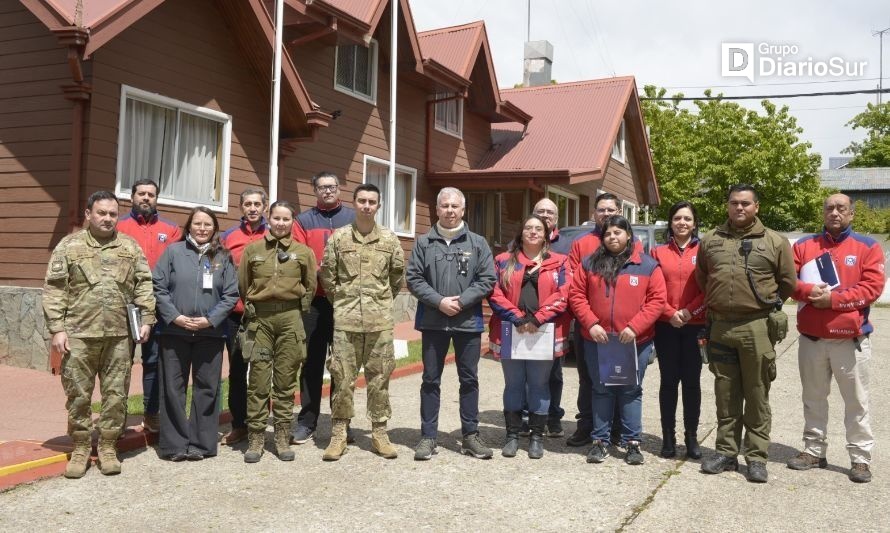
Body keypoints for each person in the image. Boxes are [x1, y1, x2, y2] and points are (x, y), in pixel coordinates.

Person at [43, 190, 155, 478]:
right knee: (78, 395)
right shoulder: (69, 246)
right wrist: (57, 329)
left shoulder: (129, 247)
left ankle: (107, 447)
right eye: (101, 213)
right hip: (78, 335)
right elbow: (54, 289)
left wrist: (146, 319)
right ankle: (80, 447)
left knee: (115, 395)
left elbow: (144, 283)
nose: (107, 218)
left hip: (119, 336)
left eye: (112, 214)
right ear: (88, 214)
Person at [697, 184, 796, 483]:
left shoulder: (775, 242)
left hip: (757, 327)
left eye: (745, 203)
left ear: (756, 207)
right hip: (721, 326)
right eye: (733, 203)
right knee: (725, 393)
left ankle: (756, 457)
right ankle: (726, 453)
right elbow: (703, 277)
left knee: (757, 394)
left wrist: (762, 305)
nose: (739, 208)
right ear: (727, 206)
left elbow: (787, 282)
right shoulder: (711, 240)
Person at [787, 193, 884, 483]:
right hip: (812, 339)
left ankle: (860, 458)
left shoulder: (868, 246)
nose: (835, 213)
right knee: (813, 399)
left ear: (851, 214)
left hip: (850, 341)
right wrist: (806, 293)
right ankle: (813, 450)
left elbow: (872, 289)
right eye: (829, 208)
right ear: (823, 213)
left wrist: (832, 300)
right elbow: (789, 281)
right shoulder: (805, 245)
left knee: (856, 402)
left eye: (841, 209)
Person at [406, 187, 497, 460]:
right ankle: (428, 437)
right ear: (437, 209)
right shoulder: (424, 243)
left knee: (469, 380)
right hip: (433, 322)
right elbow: (414, 278)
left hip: (467, 322)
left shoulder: (478, 243)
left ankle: (470, 436)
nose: (449, 211)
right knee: (430, 380)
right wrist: (439, 301)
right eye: (444, 206)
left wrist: (462, 301)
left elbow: (487, 278)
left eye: (455, 206)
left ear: (463, 209)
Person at [569, 216, 666, 466]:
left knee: (630, 391)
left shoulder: (647, 265)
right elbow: (577, 295)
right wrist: (591, 324)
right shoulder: (590, 264)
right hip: (598, 340)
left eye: (618, 232)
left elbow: (657, 300)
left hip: (635, 341)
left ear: (629, 235)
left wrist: (635, 327)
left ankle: (632, 442)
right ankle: (599, 441)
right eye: (608, 233)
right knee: (601, 389)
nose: (613, 237)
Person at [319, 183, 405, 461]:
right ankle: (339, 433)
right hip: (346, 322)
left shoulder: (390, 241)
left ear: (379, 206)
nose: (367, 206)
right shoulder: (339, 238)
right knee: (343, 379)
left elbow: (396, 278)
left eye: (372, 201)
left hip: (379, 323)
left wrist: (377, 303)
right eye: (362, 201)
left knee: (379, 379)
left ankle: (379, 432)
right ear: (353, 204)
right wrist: (343, 302)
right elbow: (328, 276)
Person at [152, 207, 239, 461]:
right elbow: (158, 286)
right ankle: (174, 445)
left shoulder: (223, 256)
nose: (202, 228)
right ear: (189, 226)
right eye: (197, 223)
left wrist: (209, 320)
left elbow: (231, 294)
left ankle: (201, 444)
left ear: (214, 228)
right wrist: (175, 316)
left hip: (209, 334)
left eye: (207, 224)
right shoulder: (173, 252)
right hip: (173, 331)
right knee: (172, 389)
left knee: (208, 388)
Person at [488, 214, 572, 459]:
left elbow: (564, 293)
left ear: (546, 234)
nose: (533, 232)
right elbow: (493, 293)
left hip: (543, 331)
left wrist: (538, 318)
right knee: (513, 384)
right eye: (528, 227)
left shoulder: (560, 262)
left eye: (538, 228)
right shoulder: (503, 261)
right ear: (521, 232)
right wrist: (517, 317)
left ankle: (536, 436)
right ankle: (512, 435)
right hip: (511, 330)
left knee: (539, 384)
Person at [238, 200, 316, 462]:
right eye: (276, 218)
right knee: (258, 380)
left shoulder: (303, 252)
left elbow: (310, 285)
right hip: (260, 321)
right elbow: (244, 284)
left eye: (286, 219)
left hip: (290, 319)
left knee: (285, 381)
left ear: (292, 221)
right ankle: (256, 437)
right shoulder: (253, 250)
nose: (281, 223)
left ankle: (283, 435)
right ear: (268, 219)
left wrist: (295, 310)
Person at [291, 171, 356, 444]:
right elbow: (297, 257)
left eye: (332, 187)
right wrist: (321, 273)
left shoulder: (353, 218)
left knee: (343, 365)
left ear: (339, 189)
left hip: (346, 302)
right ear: (315, 191)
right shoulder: (304, 221)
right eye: (322, 188)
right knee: (312, 363)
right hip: (315, 302)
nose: (327, 191)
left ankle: (342, 423)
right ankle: (307, 422)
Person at [565, 193, 633, 447]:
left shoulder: (630, 242)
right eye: (601, 210)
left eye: (611, 209)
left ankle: (616, 428)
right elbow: (573, 283)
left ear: (619, 212)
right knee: (589, 378)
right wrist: (588, 319)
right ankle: (586, 425)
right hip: (587, 325)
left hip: (620, 328)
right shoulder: (582, 243)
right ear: (594, 213)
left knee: (619, 379)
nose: (605, 214)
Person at [117, 178, 181, 433]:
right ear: (132, 197)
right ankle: (117, 416)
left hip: (156, 306)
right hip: (123, 304)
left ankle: (151, 412)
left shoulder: (172, 229)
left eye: (151, 194)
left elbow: (178, 265)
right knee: (119, 363)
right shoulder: (119, 226)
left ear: (157, 198)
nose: (146, 198)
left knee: (153, 361)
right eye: (141, 193)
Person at [650, 201, 706, 459]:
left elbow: (710, 288)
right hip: (666, 327)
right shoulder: (657, 252)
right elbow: (652, 291)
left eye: (687, 218)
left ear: (694, 223)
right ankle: (668, 438)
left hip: (695, 327)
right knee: (668, 383)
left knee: (692, 384)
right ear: (670, 223)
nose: (682, 223)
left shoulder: (705, 250)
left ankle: (691, 438)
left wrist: (689, 312)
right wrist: (669, 313)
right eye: (677, 218)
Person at [219, 187, 269, 445]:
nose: (252, 208)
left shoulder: (275, 234)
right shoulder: (228, 237)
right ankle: (240, 423)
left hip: (265, 314)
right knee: (237, 369)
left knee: (263, 367)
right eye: (247, 204)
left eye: (257, 204)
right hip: (234, 314)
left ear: (265, 207)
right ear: (241, 208)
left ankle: (261, 420)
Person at [530, 198, 572, 437]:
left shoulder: (567, 244)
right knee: (528, 372)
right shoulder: (523, 239)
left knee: (554, 373)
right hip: (526, 322)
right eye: (540, 211)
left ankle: (554, 416)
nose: (545, 215)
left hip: (556, 321)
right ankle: (529, 416)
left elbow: (568, 285)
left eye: (550, 212)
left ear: (556, 218)